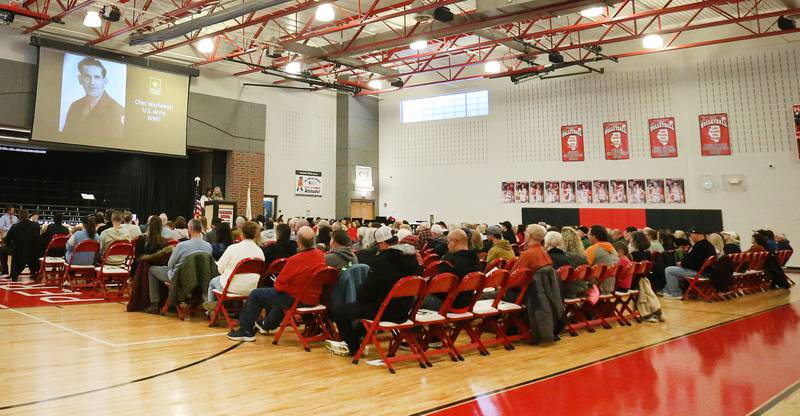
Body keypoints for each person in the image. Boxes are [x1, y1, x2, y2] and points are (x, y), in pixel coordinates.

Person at [326, 226, 422, 355]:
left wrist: (360, 298)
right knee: (366, 312)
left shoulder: (382, 261)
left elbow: (366, 292)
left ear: (382, 243)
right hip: (405, 310)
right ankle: (354, 340)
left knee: (340, 311)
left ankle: (353, 347)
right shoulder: (413, 259)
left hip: (385, 311)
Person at [226, 226, 325, 341]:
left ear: (298, 241)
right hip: (314, 298)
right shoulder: (320, 255)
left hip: (296, 299)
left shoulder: (294, 260)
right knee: (281, 298)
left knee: (256, 294)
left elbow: (278, 285)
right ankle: (266, 325)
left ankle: (246, 330)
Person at [145, 219, 212, 314]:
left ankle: (154, 304)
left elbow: (170, 264)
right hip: (200, 279)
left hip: (180, 278)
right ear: (201, 229)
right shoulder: (208, 246)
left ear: (190, 229)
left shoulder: (182, 245)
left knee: (152, 270)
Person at [205, 221, 265, 307]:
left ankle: (211, 311)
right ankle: (236, 308)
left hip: (231, 287)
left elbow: (220, 269)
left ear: (242, 233)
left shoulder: (232, 248)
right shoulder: (260, 252)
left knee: (212, 282)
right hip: (252, 288)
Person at [62, 58, 124, 138]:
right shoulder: (75, 106)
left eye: (97, 77)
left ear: (105, 81)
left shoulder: (117, 110)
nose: (92, 82)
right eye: (87, 77)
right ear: (80, 79)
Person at [662, 228, 717, 300]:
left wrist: (681, 263)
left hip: (699, 273)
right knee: (674, 271)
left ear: (694, 235)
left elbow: (689, 262)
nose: (690, 238)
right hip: (706, 272)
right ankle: (666, 291)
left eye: (691, 236)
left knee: (669, 270)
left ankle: (675, 294)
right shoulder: (709, 245)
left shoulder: (699, 246)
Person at [4, 210, 41, 281]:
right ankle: (33, 271)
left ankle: (5, 271)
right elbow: (37, 239)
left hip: (18, 252)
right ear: (28, 216)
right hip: (32, 252)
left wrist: (12, 244)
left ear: (19, 217)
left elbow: (6, 240)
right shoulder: (36, 225)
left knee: (2, 250)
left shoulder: (15, 226)